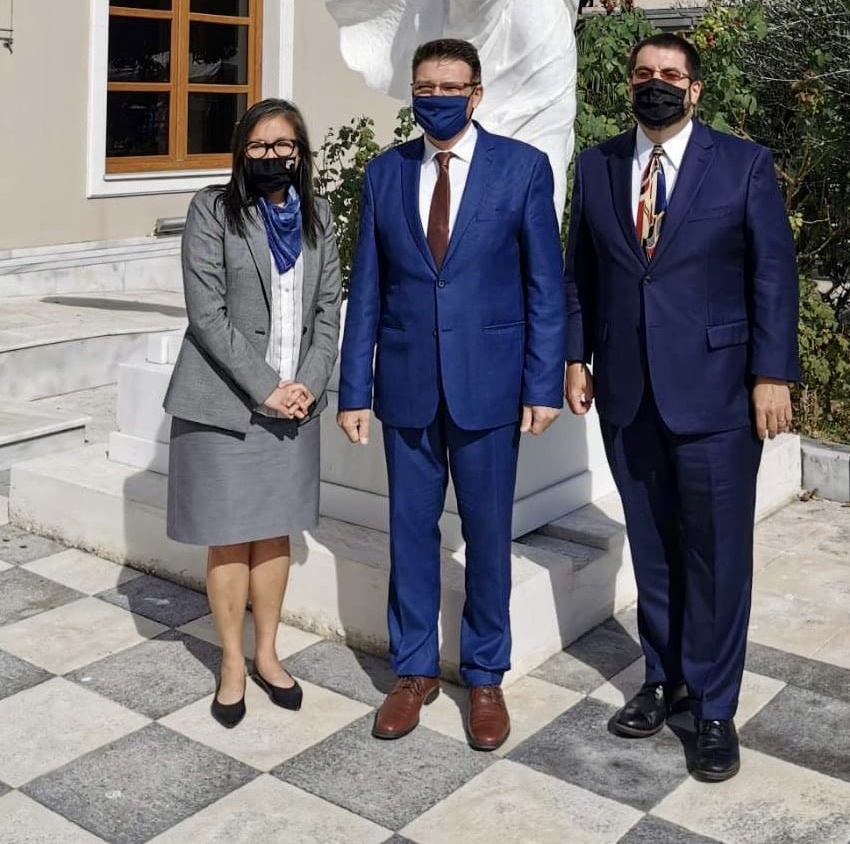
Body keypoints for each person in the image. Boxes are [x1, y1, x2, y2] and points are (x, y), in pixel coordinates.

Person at [564, 33, 799, 783]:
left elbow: (773, 275)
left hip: (720, 393)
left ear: (695, 89)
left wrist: (772, 373)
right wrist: (575, 356)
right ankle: (663, 679)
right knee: (654, 547)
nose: (655, 83)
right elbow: (580, 273)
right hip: (628, 391)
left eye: (670, 74)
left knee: (718, 556)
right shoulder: (597, 165)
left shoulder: (743, 164)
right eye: (643, 74)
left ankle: (715, 706)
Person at [337, 38, 565, 751]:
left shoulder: (521, 168)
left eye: (450, 86)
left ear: (476, 93)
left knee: (488, 534)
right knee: (410, 531)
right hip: (406, 386)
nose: (436, 97)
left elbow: (545, 286)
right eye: (424, 86)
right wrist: (353, 390)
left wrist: (542, 383)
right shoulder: (385, 173)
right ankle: (413, 671)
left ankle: (485, 674)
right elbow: (367, 289)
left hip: (489, 386)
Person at [165, 98, 341, 728]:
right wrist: (268, 388)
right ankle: (232, 662)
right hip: (227, 404)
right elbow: (206, 314)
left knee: (274, 534)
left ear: (300, 152)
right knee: (230, 537)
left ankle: (267, 652)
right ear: (241, 151)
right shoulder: (212, 210)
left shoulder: (319, 215)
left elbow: (328, 311)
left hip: (295, 406)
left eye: (283, 145)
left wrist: (307, 386)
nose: (272, 156)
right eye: (259, 146)